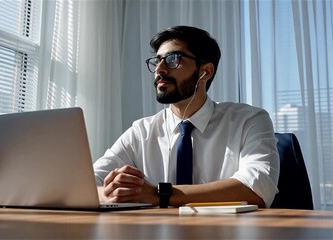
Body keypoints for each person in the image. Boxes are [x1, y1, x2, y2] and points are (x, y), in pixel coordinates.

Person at [93, 25, 280, 208]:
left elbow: (257, 189)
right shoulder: (142, 131)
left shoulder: (249, 120)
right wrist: (112, 193)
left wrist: (159, 195)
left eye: (173, 59)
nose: (159, 69)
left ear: (205, 71)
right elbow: (89, 182)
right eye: (157, 60)